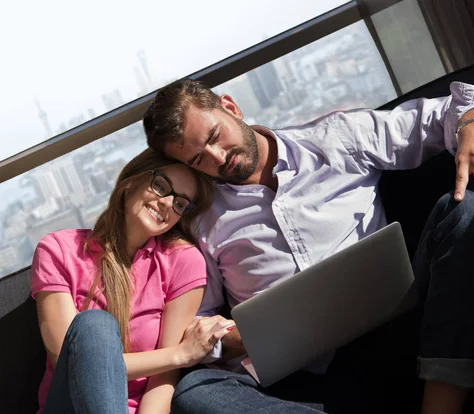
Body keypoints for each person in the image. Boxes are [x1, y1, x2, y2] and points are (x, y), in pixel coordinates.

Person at [144, 78, 474, 414]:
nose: (218, 158)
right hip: (310, 381)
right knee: (196, 391)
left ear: (231, 107)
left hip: (402, 329)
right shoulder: (200, 222)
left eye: (214, 136)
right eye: (197, 160)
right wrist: (239, 337)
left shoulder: (335, 137)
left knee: (466, 211)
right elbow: (200, 326)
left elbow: (457, 106)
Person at [31, 148, 315, 414]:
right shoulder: (59, 249)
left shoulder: (183, 261)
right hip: (70, 404)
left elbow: (161, 380)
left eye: (180, 203)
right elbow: (68, 360)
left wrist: (175, 360)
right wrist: (180, 355)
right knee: (95, 325)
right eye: (161, 186)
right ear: (130, 181)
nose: (167, 203)